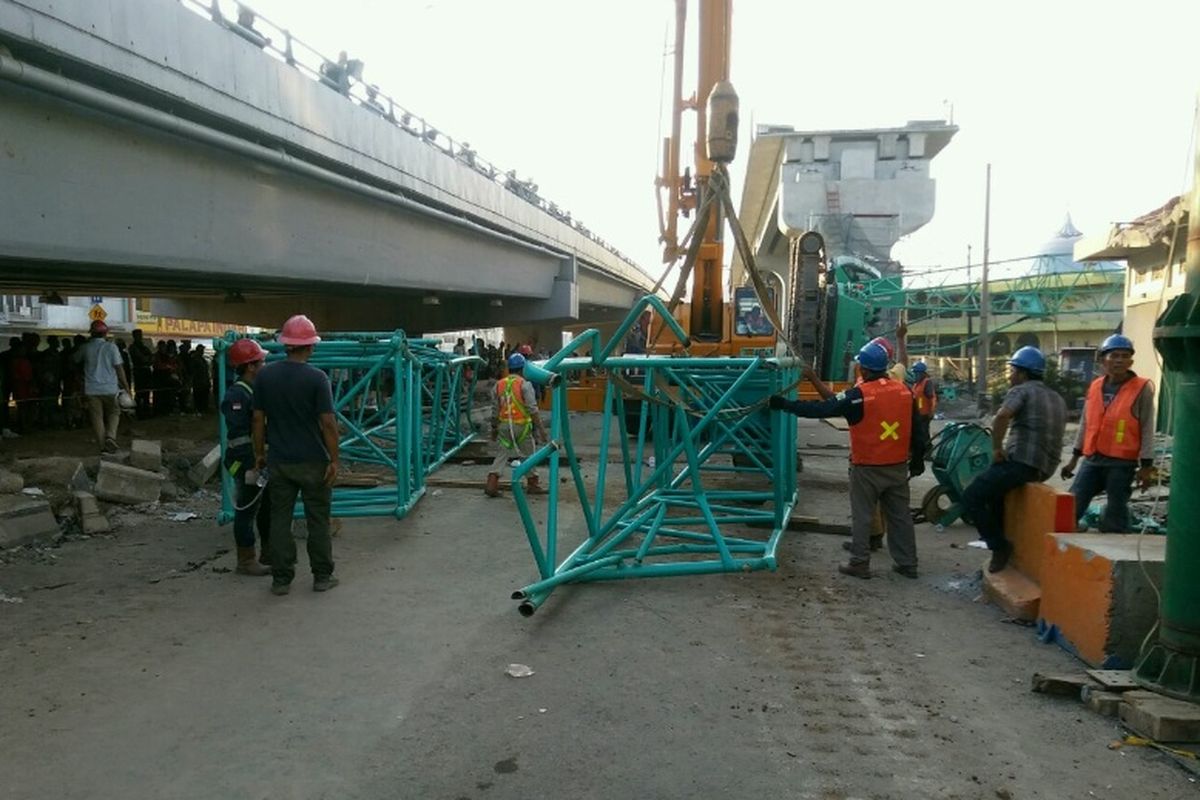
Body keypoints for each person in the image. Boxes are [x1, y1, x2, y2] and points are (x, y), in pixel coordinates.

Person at [770, 341, 925, 579]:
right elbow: (918, 429)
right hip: (896, 466)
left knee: (862, 515)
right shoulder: (903, 391)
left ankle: (860, 562)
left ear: (862, 369)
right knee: (900, 516)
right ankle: (908, 563)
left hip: (867, 467)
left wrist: (785, 405)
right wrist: (918, 459)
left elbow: (823, 409)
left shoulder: (858, 396)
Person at [252, 315, 340, 595]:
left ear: (286, 344)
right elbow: (328, 423)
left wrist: (259, 454)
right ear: (310, 346)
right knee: (318, 520)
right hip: (313, 461)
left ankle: (281, 579)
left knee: (280, 519)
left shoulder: (265, 375)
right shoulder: (317, 378)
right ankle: (322, 577)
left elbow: (257, 420)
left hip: (280, 461)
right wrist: (335, 460)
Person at [961, 346, 1066, 572]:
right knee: (996, 494)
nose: (1010, 376)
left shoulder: (1022, 390)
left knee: (972, 496)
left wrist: (996, 448)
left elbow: (1002, 416)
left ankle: (998, 546)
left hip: (1022, 464)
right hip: (1045, 467)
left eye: (1013, 371)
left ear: (1023, 374)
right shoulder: (1057, 397)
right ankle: (1003, 542)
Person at [1060, 334, 1155, 532]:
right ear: (1103, 360)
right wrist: (1074, 459)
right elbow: (1086, 423)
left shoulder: (1141, 388)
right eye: (1114, 356)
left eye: (1124, 356)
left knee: (1116, 511)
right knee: (1072, 504)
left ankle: (1116, 552)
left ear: (1131, 361)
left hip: (1121, 463)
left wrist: (1146, 465)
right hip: (1093, 458)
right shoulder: (1095, 386)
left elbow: (1147, 427)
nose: (1119, 360)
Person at [221, 339, 272, 576]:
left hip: (258, 459)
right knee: (246, 510)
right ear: (250, 366)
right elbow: (240, 435)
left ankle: (267, 554)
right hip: (246, 461)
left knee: (265, 507)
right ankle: (246, 560)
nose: (265, 365)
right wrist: (252, 464)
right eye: (261, 361)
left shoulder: (252, 391)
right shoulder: (237, 395)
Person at [485, 353, 548, 498]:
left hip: (504, 427)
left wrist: (494, 429)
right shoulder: (525, 384)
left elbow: (495, 411)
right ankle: (533, 484)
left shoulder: (499, 384)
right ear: (523, 368)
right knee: (529, 456)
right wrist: (541, 431)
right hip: (522, 427)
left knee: (501, 455)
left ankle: (491, 484)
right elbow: (533, 409)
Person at [73, 320, 131, 453]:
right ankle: (110, 436)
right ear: (105, 333)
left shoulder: (85, 347)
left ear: (92, 334)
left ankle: (102, 447)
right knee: (114, 412)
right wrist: (126, 387)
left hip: (91, 389)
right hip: (110, 388)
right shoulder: (111, 347)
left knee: (96, 418)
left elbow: (74, 360)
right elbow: (119, 369)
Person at [911, 361, 937, 451]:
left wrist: (932, 411)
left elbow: (932, 398)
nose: (915, 375)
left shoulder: (927, 383)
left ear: (922, 373)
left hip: (924, 413)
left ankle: (928, 450)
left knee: (924, 433)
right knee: (919, 433)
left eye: (916, 373)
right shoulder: (916, 384)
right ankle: (920, 449)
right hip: (918, 413)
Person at [129, 329, 154, 419]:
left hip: (145, 371)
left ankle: (146, 412)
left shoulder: (143, 347)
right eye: (138, 335)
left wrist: (147, 359)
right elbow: (143, 359)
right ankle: (139, 412)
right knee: (139, 393)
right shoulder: (133, 347)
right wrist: (147, 359)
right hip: (139, 371)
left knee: (146, 393)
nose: (140, 337)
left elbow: (151, 359)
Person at [191, 344, 212, 414]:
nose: (202, 351)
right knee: (198, 397)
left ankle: (203, 409)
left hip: (203, 380)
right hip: (198, 381)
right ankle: (199, 409)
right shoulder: (195, 359)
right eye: (201, 350)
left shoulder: (201, 359)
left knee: (204, 396)